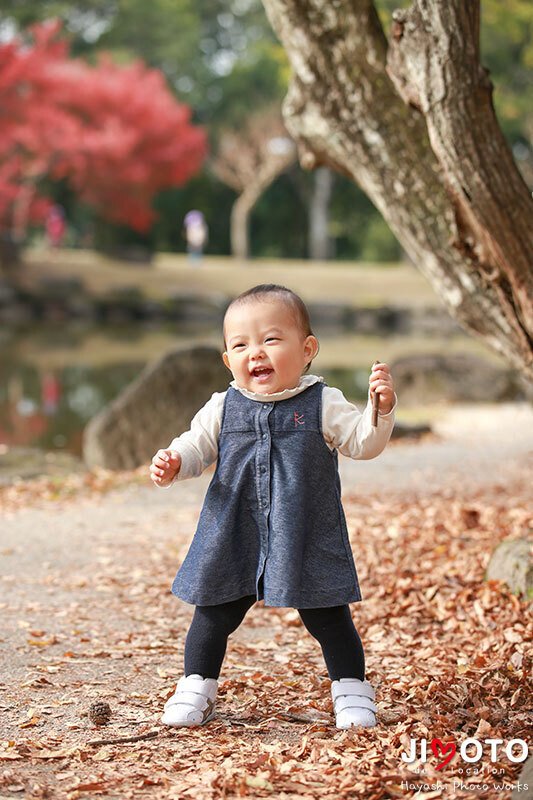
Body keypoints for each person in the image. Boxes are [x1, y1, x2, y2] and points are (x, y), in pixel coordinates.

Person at [150, 283, 397, 730]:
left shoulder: (323, 402)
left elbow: (364, 443)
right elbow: (195, 447)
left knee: (328, 614)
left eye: (271, 339)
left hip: (303, 529)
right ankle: (196, 685)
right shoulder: (223, 406)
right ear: (228, 360)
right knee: (213, 611)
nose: (255, 353)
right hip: (233, 529)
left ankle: (352, 689)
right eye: (240, 345)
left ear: (307, 350)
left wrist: (379, 410)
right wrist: (174, 462)